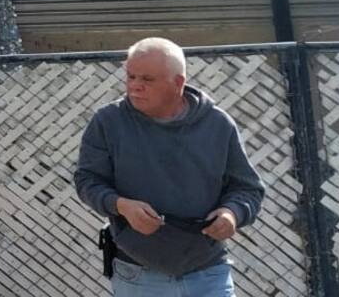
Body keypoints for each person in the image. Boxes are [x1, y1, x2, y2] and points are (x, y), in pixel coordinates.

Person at [74, 37, 265, 296]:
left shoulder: (218, 125)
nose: (135, 87)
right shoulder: (108, 122)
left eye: (147, 80)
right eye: (130, 77)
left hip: (207, 273)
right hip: (137, 274)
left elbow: (248, 189)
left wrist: (232, 214)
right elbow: (87, 181)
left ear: (178, 83)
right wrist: (121, 206)